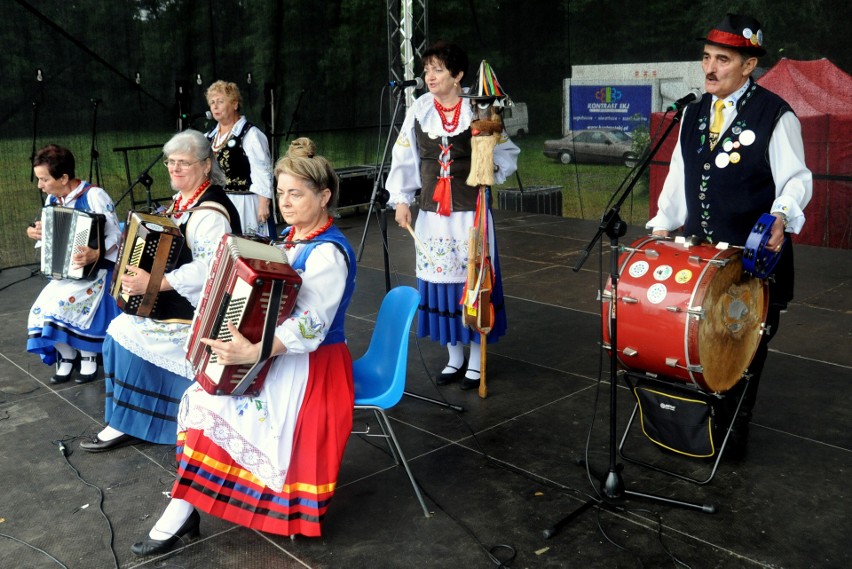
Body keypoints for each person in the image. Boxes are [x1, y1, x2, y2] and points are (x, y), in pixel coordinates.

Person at [130, 137, 356, 555]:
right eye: (282, 192)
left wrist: (251, 352)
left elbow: (311, 326)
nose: (286, 202)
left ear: (324, 197)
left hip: (312, 366)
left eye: (297, 194)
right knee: (201, 396)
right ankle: (185, 505)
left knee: (209, 402)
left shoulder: (328, 253)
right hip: (279, 355)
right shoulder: (292, 238)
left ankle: (183, 510)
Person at [647, 13, 812, 457]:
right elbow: (679, 180)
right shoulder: (693, 113)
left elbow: (796, 180)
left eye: (722, 59)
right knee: (693, 347)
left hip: (751, 267)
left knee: (739, 356)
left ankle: (730, 437)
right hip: (698, 263)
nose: (710, 68)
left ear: (747, 65)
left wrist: (781, 216)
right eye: (706, 57)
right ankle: (692, 432)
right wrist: (663, 225)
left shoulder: (776, 115)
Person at [80, 130, 241, 452]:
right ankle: (132, 418)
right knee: (121, 326)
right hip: (179, 300)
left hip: (206, 310)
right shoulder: (186, 201)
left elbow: (211, 267)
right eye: (171, 162)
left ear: (206, 165)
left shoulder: (211, 212)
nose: (175, 169)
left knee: (120, 331)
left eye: (184, 163)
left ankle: (134, 420)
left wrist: (155, 284)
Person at [386, 41, 520, 391]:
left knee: (473, 283)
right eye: (427, 69)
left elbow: (506, 153)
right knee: (439, 280)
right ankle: (454, 357)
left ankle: (476, 360)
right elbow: (406, 156)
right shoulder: (418, 110)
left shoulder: (479, 109)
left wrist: (491, 162)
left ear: (458, 75)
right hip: (432, 214)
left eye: (438, 69)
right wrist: (401, 200)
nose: (429, 76)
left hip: (470, 213)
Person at [26, 144, 122, 384]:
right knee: (38, 312)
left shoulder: (94, 196)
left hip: (97, 272)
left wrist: (96, 253)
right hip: (65, 273)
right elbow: (51, 231)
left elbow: (116, 234)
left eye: (44, 179)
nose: (40, 185)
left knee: (61, 307)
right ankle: (67, 356)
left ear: (64, 177)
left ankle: (88, 356)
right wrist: (37, 232)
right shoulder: (52, 198)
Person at [205, 80, 275, 237]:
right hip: (219, 202)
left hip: (245, 203)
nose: (215, 106)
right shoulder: (209, 137)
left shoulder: (251, 134)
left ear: (235, 104)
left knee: (248, 246)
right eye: (212, 102)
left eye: (220, 101)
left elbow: (262, 169)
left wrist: (264, 203)